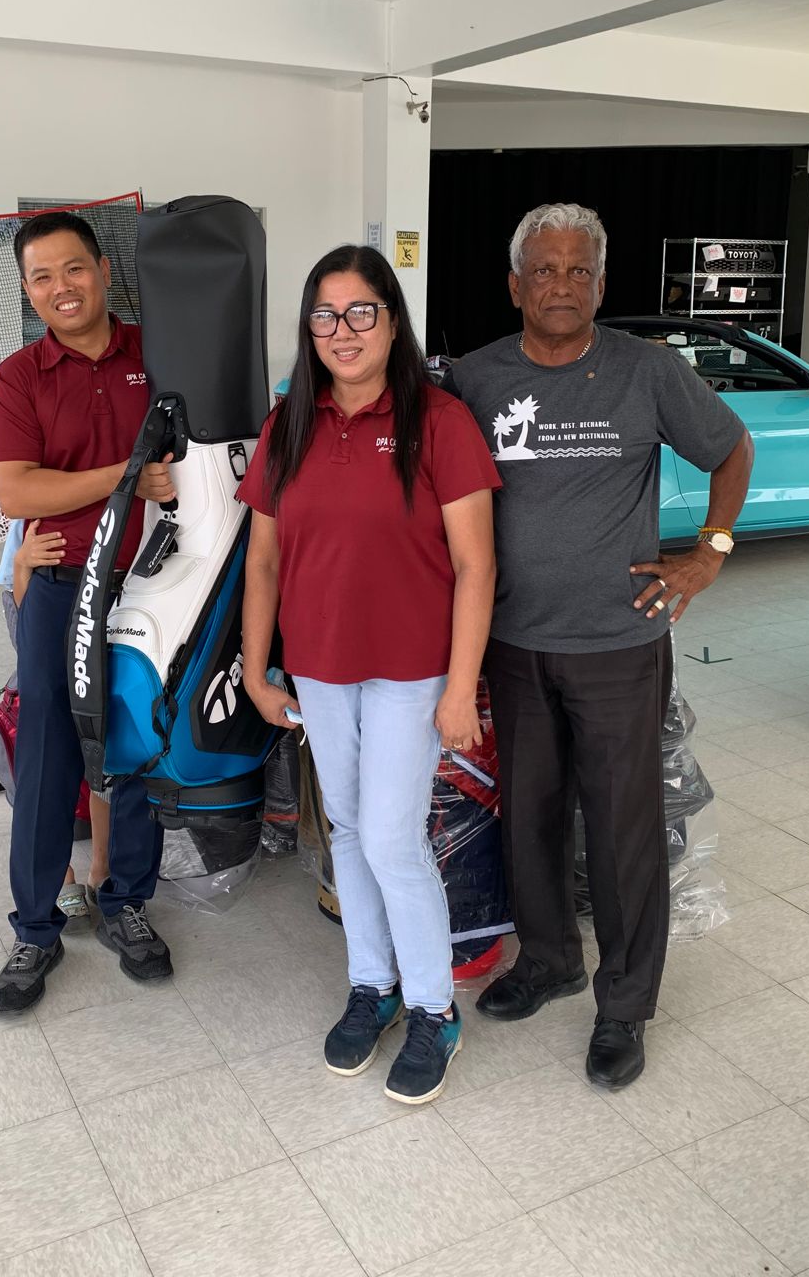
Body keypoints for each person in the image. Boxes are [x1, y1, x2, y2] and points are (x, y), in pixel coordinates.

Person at [443, 203, 753, 1089]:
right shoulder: (474, 379)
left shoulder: (646, 371)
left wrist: (709, 555)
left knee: (622, 828)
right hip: (511, 639)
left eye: (579, 271)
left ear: (602, 285)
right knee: (529, 813)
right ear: (514, 285)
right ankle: (548, 960)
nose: (562, 285)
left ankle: (623, 1005)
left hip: (618, 644)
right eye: (544, 270)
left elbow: (733, 452)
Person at [238, 244, 500, 1105]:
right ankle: (373, 983)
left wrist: (460, 689)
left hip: (410, 671)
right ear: (307, 328)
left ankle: (433, 1008)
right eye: (325, 315)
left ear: (392, 321)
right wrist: (254, 665)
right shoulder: (291, 423)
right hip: (319, 666)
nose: (342, 331)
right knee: (346, 829)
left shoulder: (440, 423)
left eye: (361, 313)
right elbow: (266, 561)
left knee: (391, 837)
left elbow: (475, 565)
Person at [0, 211, 176, 1014]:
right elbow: (18, 490)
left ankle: (125, 903)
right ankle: (34, 930)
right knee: (49, 760)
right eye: (41, 277)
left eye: (73, 269)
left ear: (102, 270)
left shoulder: (157, 353)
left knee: (133, 747)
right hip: (63, 586)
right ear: (29, 291)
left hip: (151, 584)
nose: (60, 288)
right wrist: (127, 476)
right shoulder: (23, 375)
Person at [0, 518, 111, 921]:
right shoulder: (34, 499)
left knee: (102, 743)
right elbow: (22, 597)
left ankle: (102, 866)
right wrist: (24, 564)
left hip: (103, 598)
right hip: (41, 600)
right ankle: (58, 877)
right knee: (48, 748)